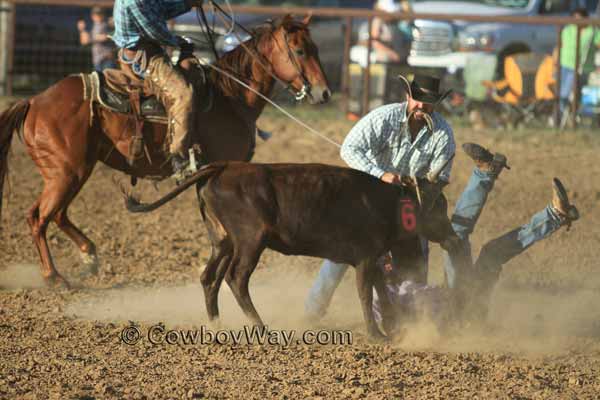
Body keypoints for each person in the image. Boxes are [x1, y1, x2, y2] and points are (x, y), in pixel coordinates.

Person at [372, 143, 580, 329]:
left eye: (387, 260)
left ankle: (554, 215)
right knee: (463, 237)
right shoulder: (384, 298)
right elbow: (397, 323)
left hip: (458, 298)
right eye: (385, 263)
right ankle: (487, 174)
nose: (388, 263)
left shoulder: (399, 274)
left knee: (481, 247)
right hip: (460, 313)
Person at [304, 73, 459, 320]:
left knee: (416, 252)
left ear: (436, 104)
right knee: (343, 252)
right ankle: (312, 311)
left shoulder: (442, 133)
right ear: (408, 96)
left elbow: (440, 177)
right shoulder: (384, 117)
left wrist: (420, 188)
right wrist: (380, 174)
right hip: (367, 197)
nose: (421, 106)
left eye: (428, 102)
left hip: (409, 201)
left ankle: (411, 314)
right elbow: (349, 148)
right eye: (417, 100)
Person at [111, 0, 205, 181]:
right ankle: (178, 157)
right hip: (144, 57)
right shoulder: (134, 1)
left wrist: (188, 3)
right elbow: (154, 30)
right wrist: (179, 41)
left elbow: (161, 9)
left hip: (147, 50)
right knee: (183, 95)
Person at [554, 7, 600, 116]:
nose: (577, 21)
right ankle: (560, 115)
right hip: (566, 65)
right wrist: (555, 60)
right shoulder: (568, 29)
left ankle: (581, 117)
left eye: (579, 18)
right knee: (564, 93)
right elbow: (559, 45)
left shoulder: (593, 30)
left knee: (583, 94)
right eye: (574, 18)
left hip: (585, 68)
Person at [350, 0, 411, 67]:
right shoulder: (375, 22)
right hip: (371, 57)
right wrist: (392, 54)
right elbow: (372, 41)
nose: (392, 15)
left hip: (382, 58)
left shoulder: (392, 25)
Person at [77, 7, 117, 72]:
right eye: (96, 14)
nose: (98, 16)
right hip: (97, 60)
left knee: (108, 79)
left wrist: (91, 38)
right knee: (98, 80)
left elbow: (104, 37)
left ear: (103, 15)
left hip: (107, 58)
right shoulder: (92, 27)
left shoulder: (107, 24)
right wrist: (82, 29)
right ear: (92, 16)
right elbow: (84, 41)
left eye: (99, 14)